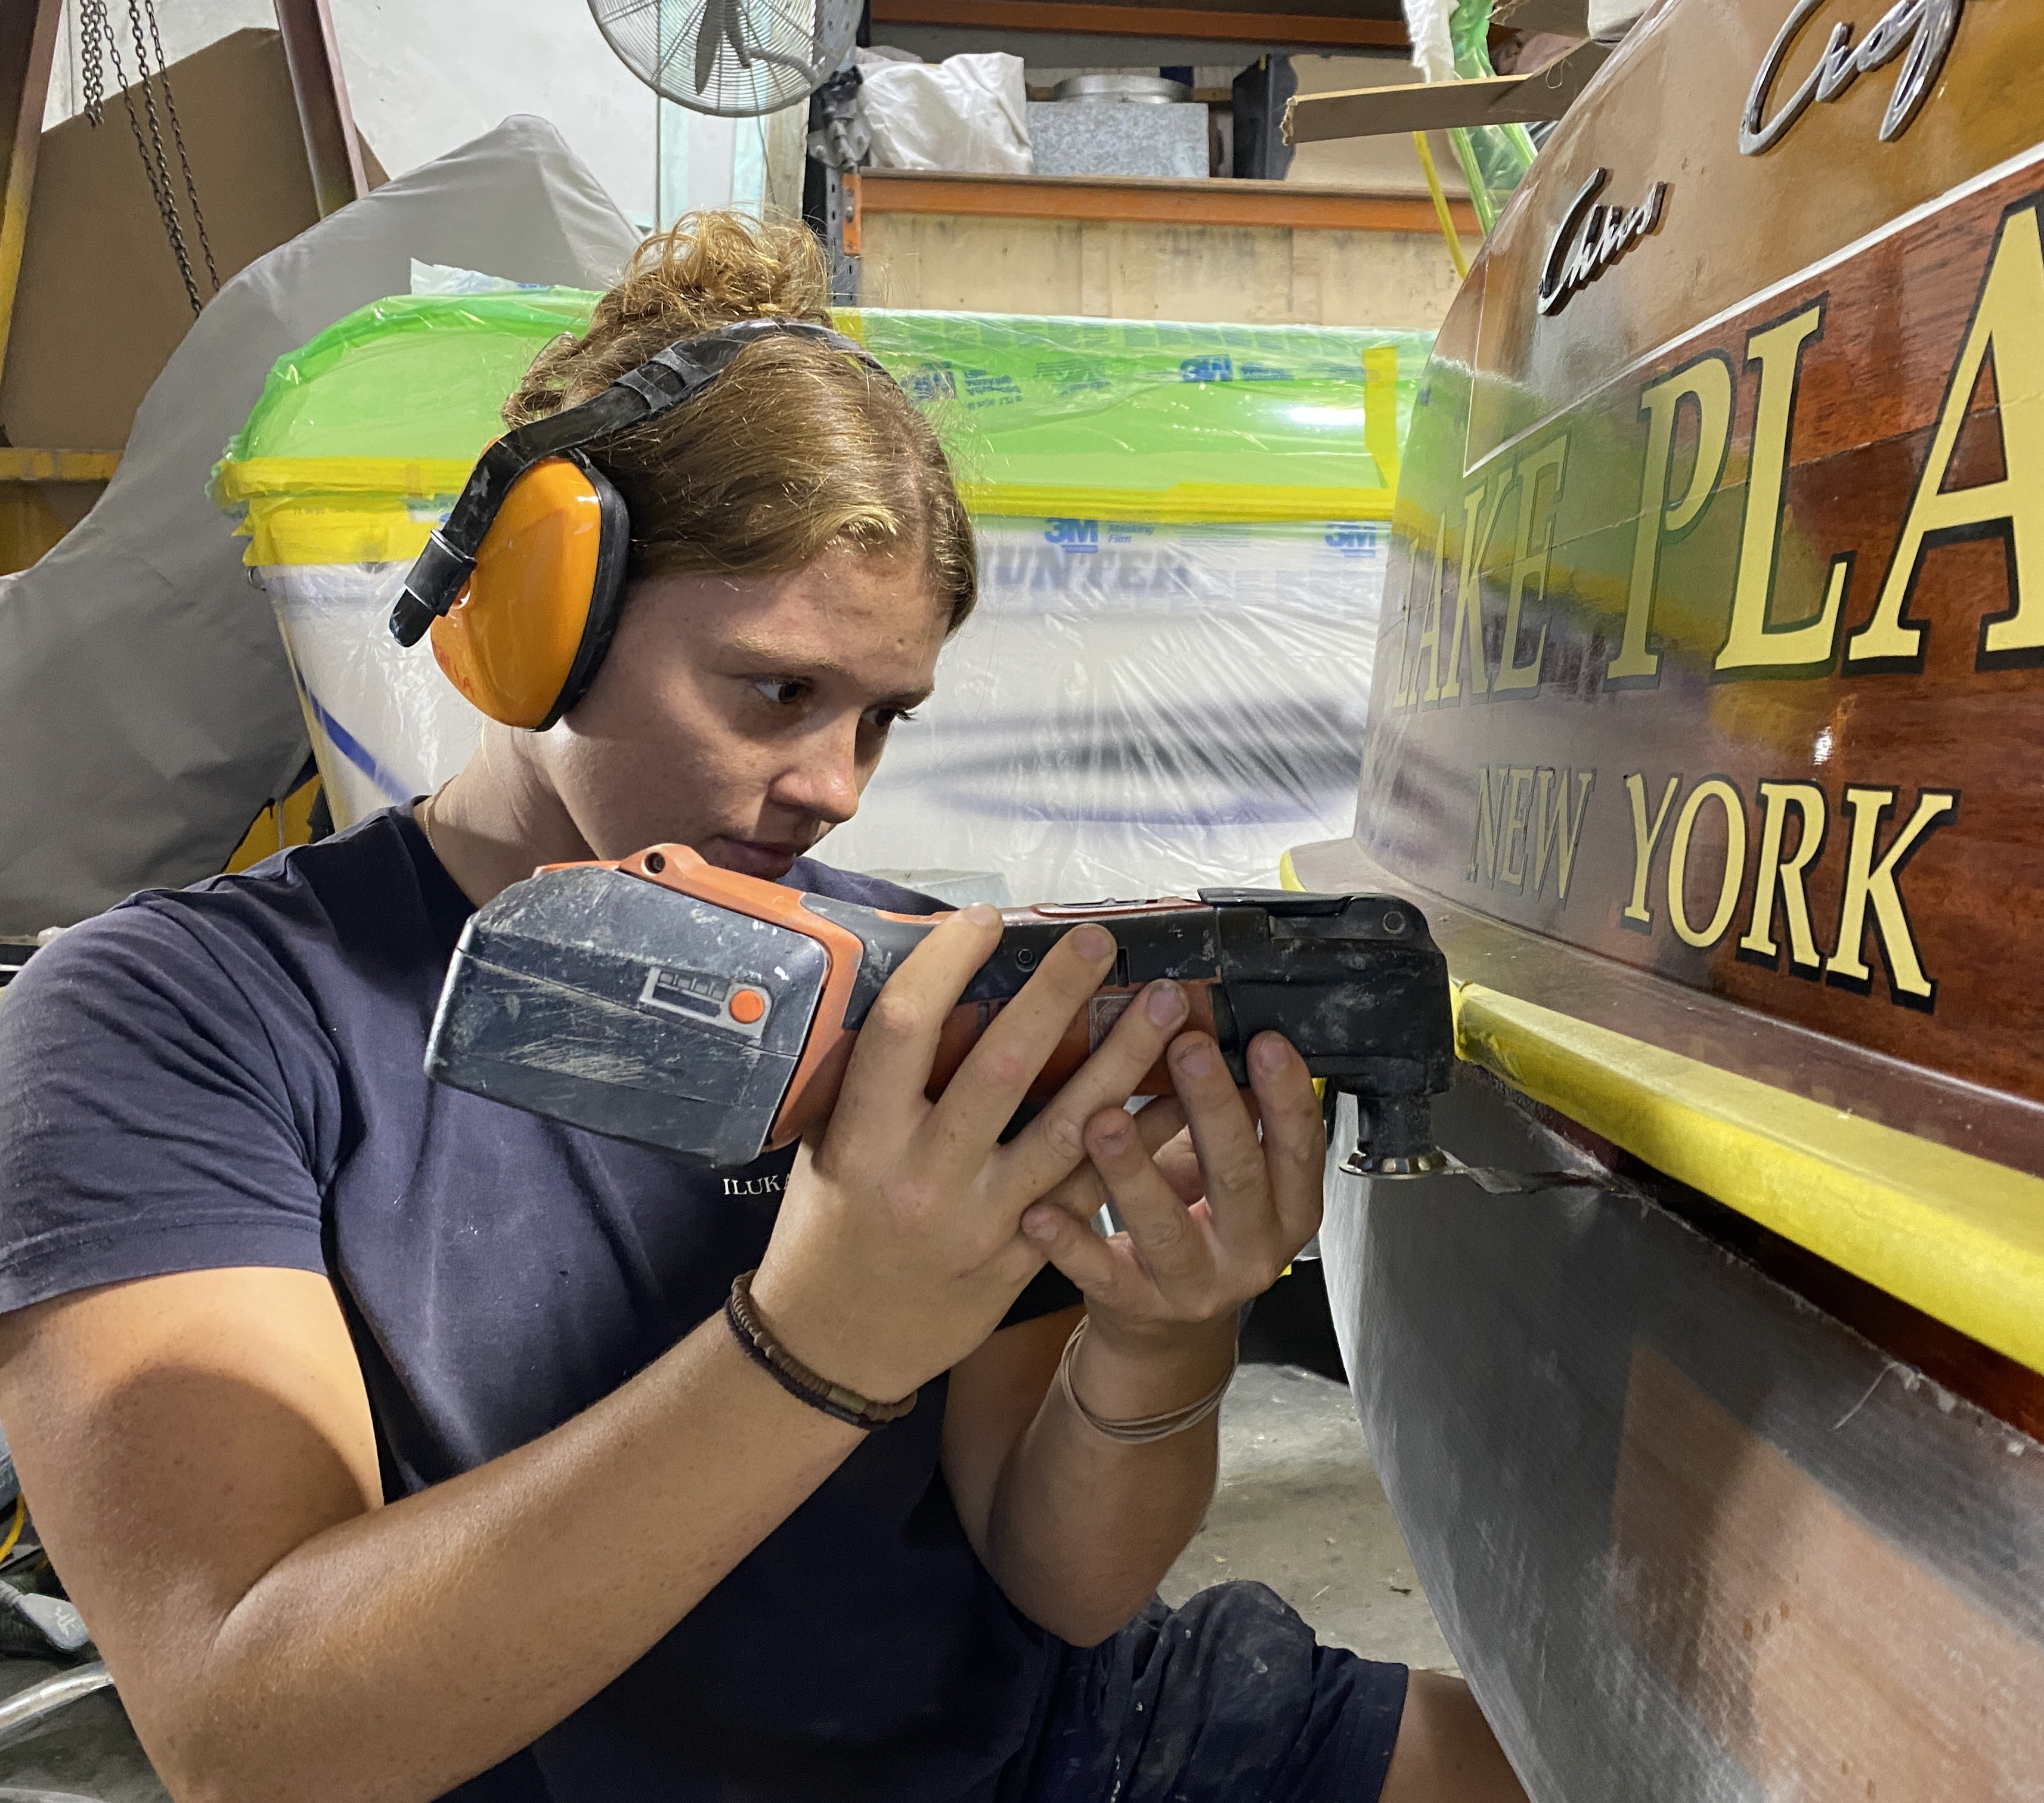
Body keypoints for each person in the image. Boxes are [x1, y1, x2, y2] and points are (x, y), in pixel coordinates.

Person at [0, 213, 1526, 1803]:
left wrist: (1162, 1338)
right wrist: (821, 1343)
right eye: (776, 692)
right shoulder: (176, 1015)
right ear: (535, 616)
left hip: (1023, 1741)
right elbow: (264, 1742)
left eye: (884, 719)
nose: (831, 789)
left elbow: (1061, 1586)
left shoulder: (919, 987)